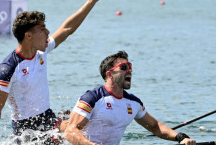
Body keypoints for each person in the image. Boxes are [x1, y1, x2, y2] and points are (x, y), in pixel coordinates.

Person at [0, 0, 110, 145]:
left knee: (76, 130)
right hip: (25, 129)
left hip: (48, 118)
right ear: (28, 36)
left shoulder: (40, 51)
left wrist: (91, 1)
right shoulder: (8, 68)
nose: (48, 32)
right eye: (42, 29)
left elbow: (67, 28)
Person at [65, 51, 196, 145]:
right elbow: (70, 131)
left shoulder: (134, 103)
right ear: (109, 74)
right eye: (124, 67)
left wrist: (181, 137)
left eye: (130, 66)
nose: (129, 70)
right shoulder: (92, 98)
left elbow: (155, 126)